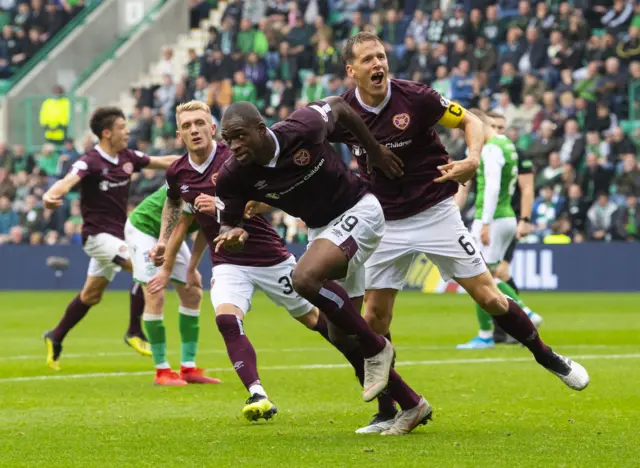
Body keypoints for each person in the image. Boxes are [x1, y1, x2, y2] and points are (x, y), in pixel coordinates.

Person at [331, 32, 589, 432]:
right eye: (368, 60)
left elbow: (471, 120)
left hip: (436, 211)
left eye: (381, 56)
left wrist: (472, 158)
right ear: (351, 70)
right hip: (384, 220)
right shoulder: (342, 112)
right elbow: (309, 143)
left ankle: (547, 356)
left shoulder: (416, 97)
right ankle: (389, 410)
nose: (378, 64)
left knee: (488, 295)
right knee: (374, 318)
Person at [146, 100, 401, 427]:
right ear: (179, 134)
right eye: (186, 126)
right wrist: (168, 246)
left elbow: (276, 192)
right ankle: (257, 393)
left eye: (199, 123)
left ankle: (384, 374)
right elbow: (180, 208)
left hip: (272, 257)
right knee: (227, 320)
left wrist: (245, 209)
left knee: (326, 324)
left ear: (212, 129)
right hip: (229, 259)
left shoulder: (243, 157)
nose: (194, 130)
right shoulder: (181, 172)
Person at [214, 98, 430, 436]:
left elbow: (340, 109)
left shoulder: (304, 126)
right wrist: (233, 233)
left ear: (261, 128)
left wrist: (372, 150)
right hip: (324, 231)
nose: (234, 145)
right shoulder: (232, 175)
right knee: (338, 333)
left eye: (240, 136)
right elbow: (227, 222)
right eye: (228, 139)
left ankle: (377, 348)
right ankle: (406, 405)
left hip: (359, 209)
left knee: (305, 278)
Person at [41, 107, 180, 371]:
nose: (127, 131)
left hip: (117, 236)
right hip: (96, 237)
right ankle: (134, 331)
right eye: (122, 127)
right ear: (107, 133)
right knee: (144, 266)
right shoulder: (90, 161)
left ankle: (55, 336)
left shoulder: (128, 157)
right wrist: (51, 194)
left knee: (91, 295)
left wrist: (199, 159)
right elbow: (69, 180)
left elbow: (162, 161)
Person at [456, 109, 543, 349]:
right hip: (505, 217)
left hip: (493, 218)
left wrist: (484, 223)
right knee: (489, 275)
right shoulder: (507, 144)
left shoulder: (492, 149)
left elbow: (492, 187)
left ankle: (489, 333)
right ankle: (522, 315)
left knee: (477, 275)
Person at [124, 186, 221, 386]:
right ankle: (162, 371)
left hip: (170, 234)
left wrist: (192, 268)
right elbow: (180, 226)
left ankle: (188, 367)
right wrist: (165, 271)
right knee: (155, 291)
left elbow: (206, 229)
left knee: (192, 293)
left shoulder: (226, 187)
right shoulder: (198, 183)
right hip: (144, 229)